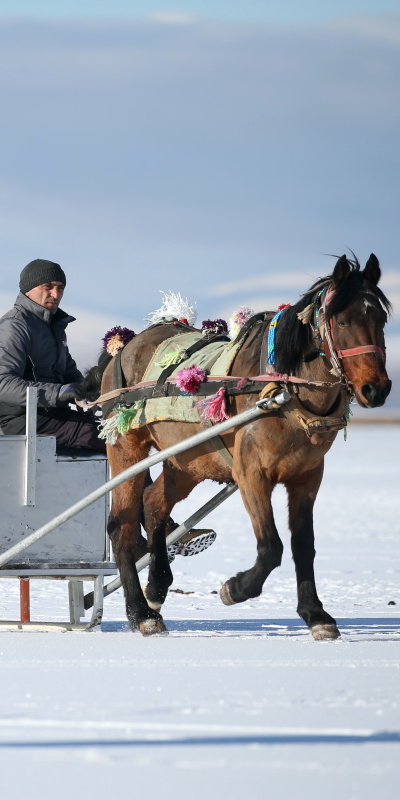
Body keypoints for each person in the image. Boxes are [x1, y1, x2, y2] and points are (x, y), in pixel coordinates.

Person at [0, 258, 216, 558]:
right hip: (25, 421)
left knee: (124, 431)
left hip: (51, 414)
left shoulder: (52, 327)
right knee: (119, 441)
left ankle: (144, 537)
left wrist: (95, 393)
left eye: (60, 287)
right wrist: (58, 393)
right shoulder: (15, 327)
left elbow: (71, 375)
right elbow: (2, 383)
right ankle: (157, 531)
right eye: (48, 286)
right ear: (28, 289)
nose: (55, 293)